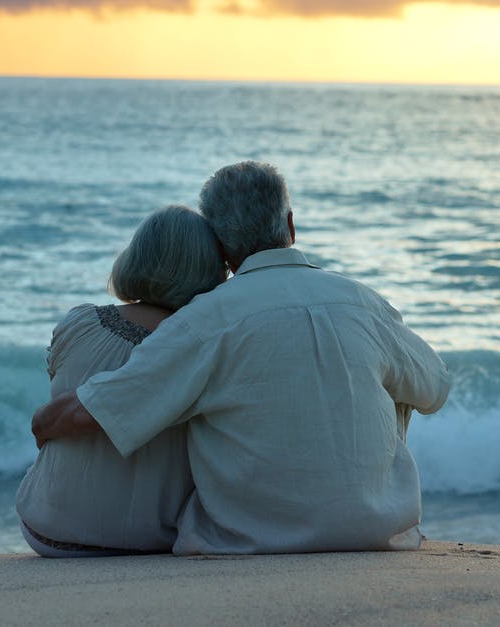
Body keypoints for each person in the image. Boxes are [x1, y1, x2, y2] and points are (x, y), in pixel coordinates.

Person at [32, 161, 451, 555]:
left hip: (250, 540)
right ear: (290, 224)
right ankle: (359, 494)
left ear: (218, 248)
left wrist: (46, 421)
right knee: (395, 377)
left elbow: (114, 404)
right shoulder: (364, 303)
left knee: (190, 392)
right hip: (379, 534)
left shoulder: (205, 321)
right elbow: (435, 389)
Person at [16, 205, 227, 557]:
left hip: (45, 529)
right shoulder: (203, 346)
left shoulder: (80, 323)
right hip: (150, 541)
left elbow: (58, 395)